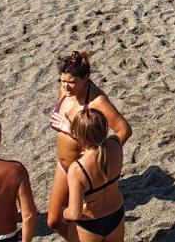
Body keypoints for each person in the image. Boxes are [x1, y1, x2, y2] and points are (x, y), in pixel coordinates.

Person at [47, 51, 131, 241]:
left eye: (71, 82)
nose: (66, 87)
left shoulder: (98, 101)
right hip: (63, 165)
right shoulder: (64, 92)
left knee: (80, 214)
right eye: (62, 81)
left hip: (84, 168)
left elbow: (124, 130)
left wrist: (95, 155)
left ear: (86, 79)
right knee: (53, 221)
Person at [63, 109, 125, 242]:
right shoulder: (115, 144)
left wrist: (63, 212)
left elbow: (74, 213)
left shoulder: (77, 169)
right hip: (116, 214)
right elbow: (98, 147)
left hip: (90, 223)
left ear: (79, 137)